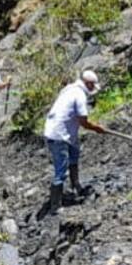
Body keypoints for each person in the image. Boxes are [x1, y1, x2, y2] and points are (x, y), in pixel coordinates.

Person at [43, 70, 106, 214]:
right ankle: (55, 206)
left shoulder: (69, 89)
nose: (93, 90)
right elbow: (83, 122)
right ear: (88, 83)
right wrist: (97, 128)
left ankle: (76, 187)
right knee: (61, 169)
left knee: (74, 157)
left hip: (62, 131)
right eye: (92, 86)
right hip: (58, 134)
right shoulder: (79, 94)